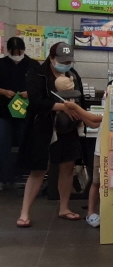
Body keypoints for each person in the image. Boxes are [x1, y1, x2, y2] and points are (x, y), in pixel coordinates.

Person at [16, 43, 101, 227]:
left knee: (67, 167)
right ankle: (24, 213)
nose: (66, 64)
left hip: (68, 127)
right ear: (52, 58)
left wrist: (81, 116)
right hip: (43, 128)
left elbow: (80, 99)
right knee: (39, 169)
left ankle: (64, 208)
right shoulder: (37, 74)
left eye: (69, 61)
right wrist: (63, 107)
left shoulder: (72, 74)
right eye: (62, 61)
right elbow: (37, 102)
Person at [0, 37, 38, 190]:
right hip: (4, 112)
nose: (16, 55)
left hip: (25, 112)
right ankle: (5, 178)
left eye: (19, 52)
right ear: (8, 50)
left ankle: (24, 177)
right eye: (13, 52)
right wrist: (3, 92)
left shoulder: (33, 65)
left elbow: (42, 86)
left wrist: (30, 93)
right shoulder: (1, 64)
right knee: (3, 145)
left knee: (25, 144)